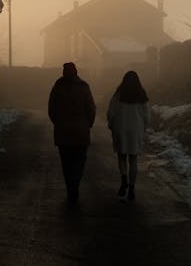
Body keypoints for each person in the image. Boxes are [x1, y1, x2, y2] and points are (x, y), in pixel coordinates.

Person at [48, 62, 96, 205]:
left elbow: (51, 109)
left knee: (66, 162)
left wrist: (58, 122)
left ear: (63, 72)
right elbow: (91, 108)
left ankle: (70, 188)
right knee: (79, 160)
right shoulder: (84, 87)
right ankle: (75, 183)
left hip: (63, 133)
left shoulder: (58, 87)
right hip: (81, 132)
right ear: (76, 72)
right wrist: (88, 124)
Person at [107, 70, 150, 202]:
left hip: (121, 128)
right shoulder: (141, 96)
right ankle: (131, 188)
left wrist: (111, 124)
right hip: (136, 130)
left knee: (121, 157)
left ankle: (124, 179)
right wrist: (144, 127)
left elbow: (111, 112)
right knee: (133, 159)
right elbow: (146, 116)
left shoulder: (118, 95)